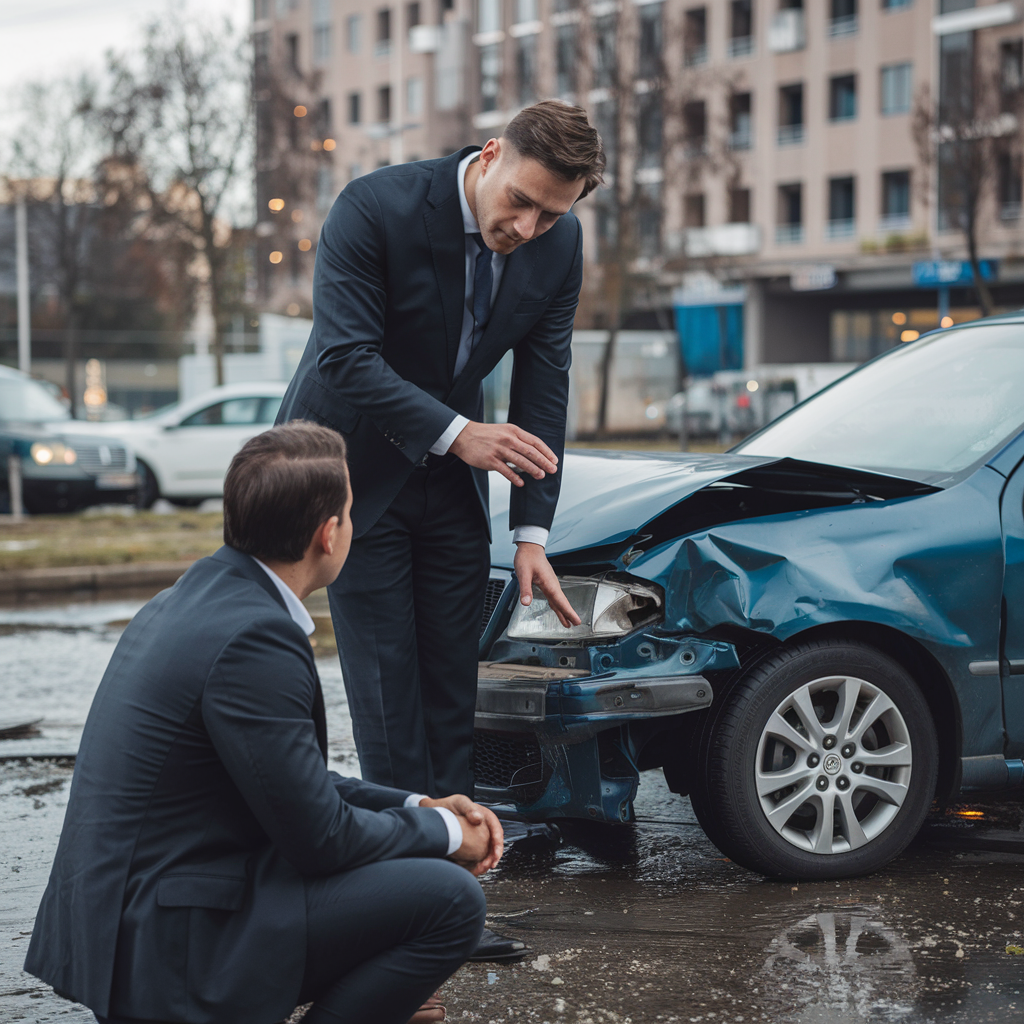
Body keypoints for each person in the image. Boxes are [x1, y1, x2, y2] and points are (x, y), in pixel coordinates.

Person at [24, 422, 503, 1024]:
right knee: (450, 899)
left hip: (131, 918)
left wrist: (419, 804)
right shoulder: (256, 637)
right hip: (171, 944)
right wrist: (452, 837)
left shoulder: (193, 596)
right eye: (352, 513)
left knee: (409, 874)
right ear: (328, 535)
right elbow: (321, 840)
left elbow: (289, 783)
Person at [275, 101, 604, 958]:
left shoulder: (559, 247)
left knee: (451, 700)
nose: (527, 228)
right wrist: (462, 434)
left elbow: (546, 381)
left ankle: (450, 906)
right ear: (491, 154)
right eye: (521, 202)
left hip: (454, 485)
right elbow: (346, 356)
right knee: (391, 706)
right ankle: (389, 916)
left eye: (551, 216)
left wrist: (532, 531)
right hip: (351, 478)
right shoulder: (373, 208)